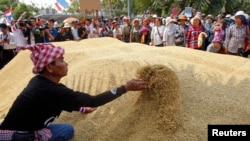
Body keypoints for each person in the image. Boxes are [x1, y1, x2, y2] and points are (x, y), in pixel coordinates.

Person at [0, 43, 149, 141]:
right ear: (49, 68)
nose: (66, 63)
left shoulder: (42, 83)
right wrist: (125, 88)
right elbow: (92, 100)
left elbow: (61, 101)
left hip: (31, 129)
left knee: (66, 129)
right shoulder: (48, 89)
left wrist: (81, 107)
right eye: (61, 60)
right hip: (16, 137)